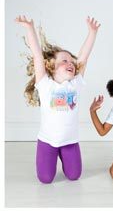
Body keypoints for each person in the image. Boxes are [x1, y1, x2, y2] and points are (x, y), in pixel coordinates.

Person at [15, 15, 100, 184]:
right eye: (64, 61)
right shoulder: (45, 85)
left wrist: (92, 32)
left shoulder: (75, 84)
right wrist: (30, 28)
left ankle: (65, 154)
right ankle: (53, 155)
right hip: (48, 141)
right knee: (45, 179)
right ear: (51, 67)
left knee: (74, 176)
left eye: (71, 61)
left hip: (70, 141)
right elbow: (38, 56)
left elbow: (83, 56)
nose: (70, 63)